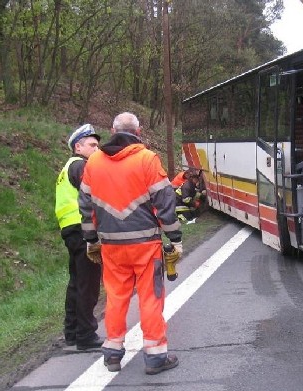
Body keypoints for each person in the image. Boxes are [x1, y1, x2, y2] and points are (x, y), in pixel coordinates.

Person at [78, 112, 182, 374]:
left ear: (112, 129)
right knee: (150, 298)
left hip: (111, 247)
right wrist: (176, 239)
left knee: (116, 298)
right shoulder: (147, 159)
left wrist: (91, 240)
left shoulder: (94, 162)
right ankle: (156, 356)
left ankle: (112, 353)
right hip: (145, 244)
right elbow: (165, 204)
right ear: (139, 131)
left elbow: (85, 206)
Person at [54, 123, 103, 350]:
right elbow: (95, 193)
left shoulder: (66, 169)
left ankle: (72, 332)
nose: (96, 149)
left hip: (70, 230)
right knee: (88, 284)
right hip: (83, 230)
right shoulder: (79, 166)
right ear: (78, 146)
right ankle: (85, 335)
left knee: (76, 282)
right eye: (92, 145)